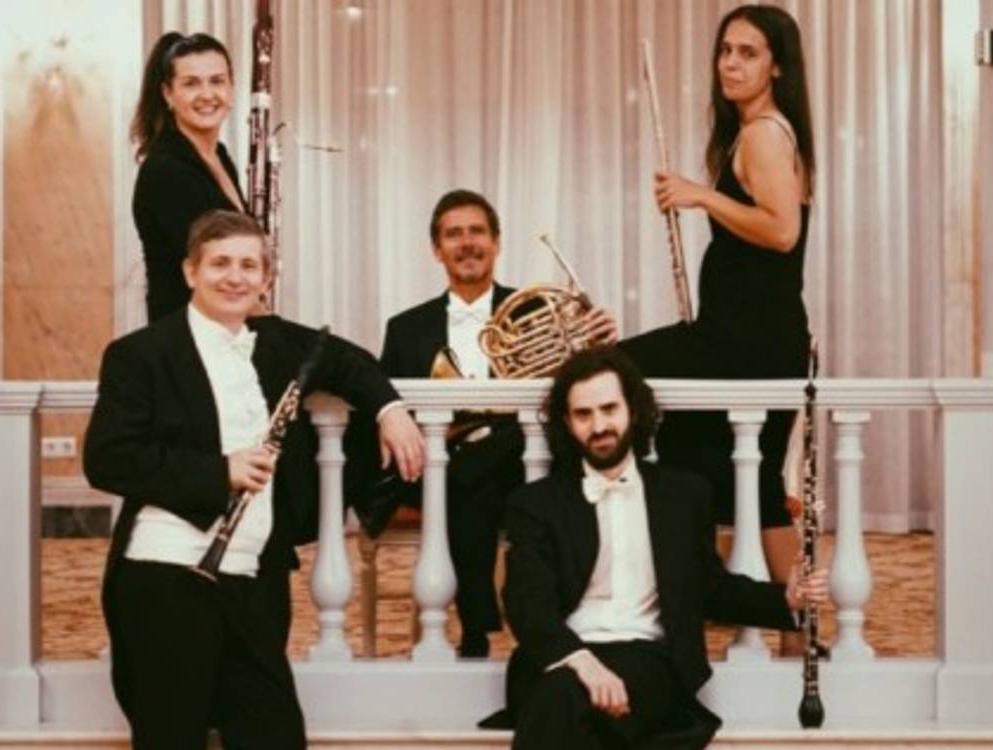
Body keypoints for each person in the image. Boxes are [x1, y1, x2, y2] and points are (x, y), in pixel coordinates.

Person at [83, 210, 426, 749]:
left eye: (249, 265)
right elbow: (107, 458)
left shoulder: (276, 343)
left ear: (266, 279)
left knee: (274, 734)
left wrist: (390, 409)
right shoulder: (141, 353)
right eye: (219, 263)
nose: (234, 277)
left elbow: (348, 360)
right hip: (165, 575)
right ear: (191, 271)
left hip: (253, 578)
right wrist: (221, 471)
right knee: (171, 737)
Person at [484, 347, 828, 749]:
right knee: (566, 696)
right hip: (559, 656)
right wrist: (582, 663)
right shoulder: (535, 503)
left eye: (609, 409)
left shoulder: (683, 495)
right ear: (566, 422)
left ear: (632, 409)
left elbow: (709, 587)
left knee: (562, 703)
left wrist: (785, 598)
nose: (599, 426)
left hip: (646, 660)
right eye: (583, 414)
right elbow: (527, 601)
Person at [619, 4, 816, 654]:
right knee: (750, 483)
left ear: (777, 66)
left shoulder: (763, 134)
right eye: (725, 50)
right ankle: (800, 631)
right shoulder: (758, 133)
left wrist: (699, 195)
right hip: (754, 337)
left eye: (748, 53)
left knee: (608, 374)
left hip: (743, 342)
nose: (730, 63)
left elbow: (781, 231)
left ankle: (681, 589)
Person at [346, 189, 619, 658]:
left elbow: (582, 386)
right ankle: (504, 624)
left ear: (497, 243)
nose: (467, 242)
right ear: (437, 250)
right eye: (454, 234)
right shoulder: (405, 327)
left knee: (473, 472)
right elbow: (393, 408)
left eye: (477, 232)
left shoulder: (535, 311)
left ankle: (478, 631)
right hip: (441, 465)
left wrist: (600, 344)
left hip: (519, 459)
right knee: (469, 476)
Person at [131, 32, 251, 322]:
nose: (207, 94)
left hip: (226, 329)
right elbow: (221, 276)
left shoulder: (219, 155)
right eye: (191, 83)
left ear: (231, 88)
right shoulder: (166, 170)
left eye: (217, 81)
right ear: (168, 94)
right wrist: (271, 327)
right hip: (188, 338)